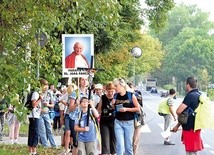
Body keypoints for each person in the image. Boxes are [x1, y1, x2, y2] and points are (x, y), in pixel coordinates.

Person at [171, 77, 204, 155]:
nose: (185, 86)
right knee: (193, 151)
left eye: (186, 84)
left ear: (188, 85)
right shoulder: (199, 95)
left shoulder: (190, 95)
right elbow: (186, 113)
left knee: (191, 151)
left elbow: (179, 111)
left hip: (190, 128)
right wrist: (177, 125)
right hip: (196, 125)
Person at [112, 78, 140, 155]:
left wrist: (126, 109)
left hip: (129, 122)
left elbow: (137, 108)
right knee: (120, 146)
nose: (114, 88)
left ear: (121, 85)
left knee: (128, 146)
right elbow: (114, 108)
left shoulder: (130, 95)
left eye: (116, 86)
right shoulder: (115, 95)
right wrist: (112, 104)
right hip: (118, 122)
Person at [97, 82, 116, 155]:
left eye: (112, 91)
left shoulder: (116, 97)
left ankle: (113, 153)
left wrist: (114, 105)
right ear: (106, 90)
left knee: (113, 140)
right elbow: (99, 109)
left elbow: (119, 109)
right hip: (104, 121)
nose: (110, 93)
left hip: (114, 121)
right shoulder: (103, 97)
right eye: (109, 91)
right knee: (105, 141)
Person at [38, 78, 57, 148]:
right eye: (44, 86)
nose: (46, 88)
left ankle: (53, 145)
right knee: (42, 130)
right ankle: (45, 145)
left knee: (49, 130)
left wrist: (48, 105)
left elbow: (53, 105)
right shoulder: (38, 93)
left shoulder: (49, 93)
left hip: (46, 113)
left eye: (47, 86)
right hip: (39, 114)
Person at [28, 85, 42, 155]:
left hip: (35, 115)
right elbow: (34, 105)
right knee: (35, 133)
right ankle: (33, 151)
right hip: (34, 116)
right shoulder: (35, 94)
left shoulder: (36, 93)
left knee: (32, 133)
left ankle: (31, 151)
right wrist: (40, 99)